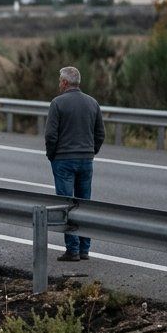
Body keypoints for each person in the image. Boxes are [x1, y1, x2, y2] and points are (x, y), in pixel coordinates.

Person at [44, 65, 104, 261]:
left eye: (59, 80)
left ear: (64, 82)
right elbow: (100, 134)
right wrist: (90, 152)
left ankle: (73, 250)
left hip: (64, 160)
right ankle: (85, 249)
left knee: (66, 204)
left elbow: (51, 135)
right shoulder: (93, 103)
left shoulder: (57, 103)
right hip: (86, 160)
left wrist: (52, 155)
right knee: (83, 204)